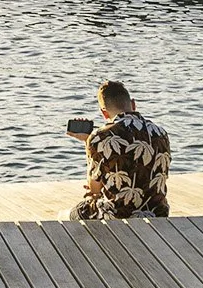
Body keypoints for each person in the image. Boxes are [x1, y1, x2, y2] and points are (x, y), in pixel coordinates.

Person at [65, 81, 171, 221]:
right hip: (157, 213)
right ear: (133, 104)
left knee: (68, 214)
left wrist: (88, 142)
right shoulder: (160, 133)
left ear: (104, 112)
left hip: (116, 215)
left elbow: (94, 189)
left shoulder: (99, 137)